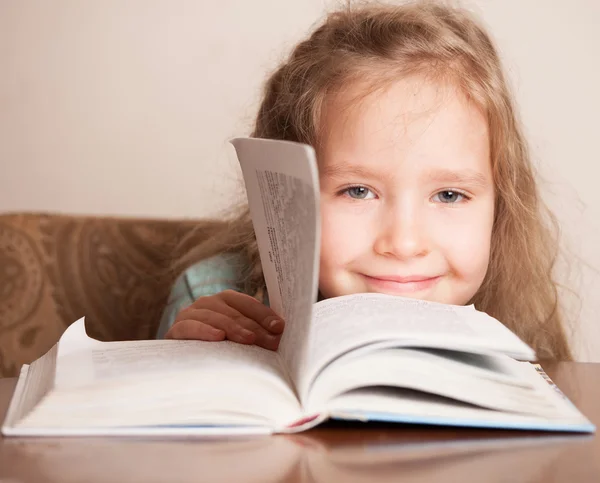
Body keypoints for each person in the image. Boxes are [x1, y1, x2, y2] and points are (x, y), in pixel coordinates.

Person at [155, 1, 573, 360]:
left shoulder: (521, 315)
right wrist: (187, 368)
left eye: (449, 195)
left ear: (500, 204)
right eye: (358, 191)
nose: (405, 244)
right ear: (281, 195)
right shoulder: (213, 298)